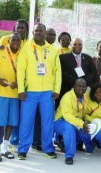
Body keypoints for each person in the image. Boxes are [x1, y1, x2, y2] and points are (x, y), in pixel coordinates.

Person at [17, 23, 61, 160]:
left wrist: (56, 89)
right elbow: (21, 69)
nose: (39, 33)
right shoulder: (26, 48)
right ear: (33, 32)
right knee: (26, 121)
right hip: (29, 92)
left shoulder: (53, 50)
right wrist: (20, 89)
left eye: (41, 31)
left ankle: (48, 148)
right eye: (36, 31)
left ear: (45, 32)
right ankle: (23, 149)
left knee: (48, 121)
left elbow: (57, 71)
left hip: (47, 92)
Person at [0, 33, 21, 162]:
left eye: (18, 40)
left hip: (14, 94)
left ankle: (5, 147)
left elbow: (23, 74)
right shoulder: (0, 51)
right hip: (0, 93)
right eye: (13, 40)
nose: (15, 42)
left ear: (21, 42)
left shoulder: (22, 54)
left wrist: (18, 84)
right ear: (8, 41)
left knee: (10, 122)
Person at [54, 79, 94, 165]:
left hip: (78, 122)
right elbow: (67, 116)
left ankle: (65, 142)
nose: (81, 88)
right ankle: (69, 156)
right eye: (79, 86)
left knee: (87, 132)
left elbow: (98, 95)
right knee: (69, 128)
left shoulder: (86, 95)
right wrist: (82, 123)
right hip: (61, 121)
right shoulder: (67, 97)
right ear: (74, 87)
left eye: (83, 86)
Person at [57, 38, 97, 109]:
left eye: (80, 44)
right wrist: (76, 83)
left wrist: (84, 83)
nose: (77, 46)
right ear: (70, 45)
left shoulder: (88, 58)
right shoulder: (62, 57)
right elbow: (63, 73)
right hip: (68, 89)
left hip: (85, 89)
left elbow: (92, 72)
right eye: (75, 44)